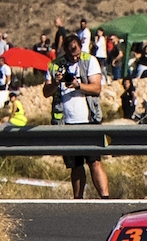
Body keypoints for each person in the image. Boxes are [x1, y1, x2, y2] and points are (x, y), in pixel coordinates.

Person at [43, 34, 110, 199]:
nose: (75, 57)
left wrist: (78, 85)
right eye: (71, 55)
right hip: (65, 122)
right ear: (64, 50)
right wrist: (56, 82)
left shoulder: (89, 61)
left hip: (89, 120)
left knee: (94, 161)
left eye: (77, 53)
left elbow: (96, 88)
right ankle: (78, 199)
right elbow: (46, 92)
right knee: (75, 164)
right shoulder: (54, 65)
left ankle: (105, 197)